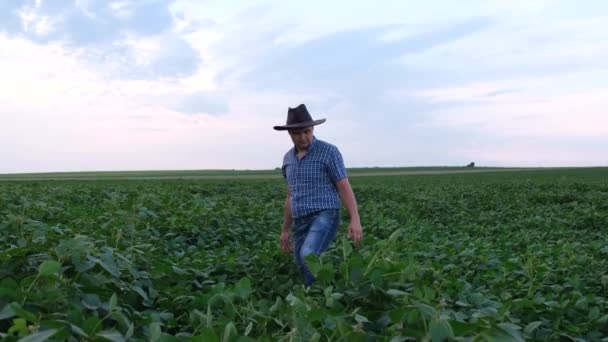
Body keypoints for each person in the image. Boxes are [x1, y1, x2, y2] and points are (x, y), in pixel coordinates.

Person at [274, 104, 363, 286]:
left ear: (313, 129)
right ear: (290, 134)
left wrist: (355, 219)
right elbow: (291, 195)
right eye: (297, 133)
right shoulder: (287, 159)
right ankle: (323, 288)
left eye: (307, 131)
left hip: (325, 213)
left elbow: (344, 186)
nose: (303, 137)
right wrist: (285, 230)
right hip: (300, 218)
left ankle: (317, 298)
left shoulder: (329, 152)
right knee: (301, 262)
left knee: (308, 255)